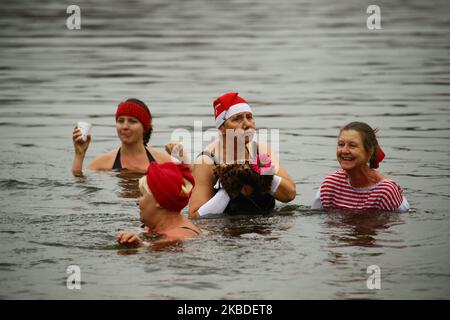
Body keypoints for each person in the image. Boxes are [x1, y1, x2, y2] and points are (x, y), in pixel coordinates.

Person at [188, 92, 296, 218]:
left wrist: (263, 176)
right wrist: (228, 189)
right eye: (237, 119)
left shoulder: (260, 150)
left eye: (249, 117)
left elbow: (289, 195)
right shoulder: (207, 160)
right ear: (222, 128)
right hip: (229, 233)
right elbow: (195, 216)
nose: (247, 124)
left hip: (265, 230)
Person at [312, 121, 409, 212]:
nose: (344, 151)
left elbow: (397, 226)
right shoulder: (330, 184)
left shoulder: (385, 192)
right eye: (341, 144)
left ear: (370, 151)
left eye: (352, 146)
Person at [71, 98, 173, 176]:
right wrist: (79, 155)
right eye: (120, 121)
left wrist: (183, 160)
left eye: (132, 121)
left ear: (145, 128)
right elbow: (79, 186)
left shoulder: (164, 162)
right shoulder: (102, 163)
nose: (124, 127)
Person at [116, 162, 201, 248]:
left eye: (142, 194)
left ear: (158, 201)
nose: (137, 201)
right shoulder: (150, 228)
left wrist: (140, 246)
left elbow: (153, 249)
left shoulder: (179, 236)